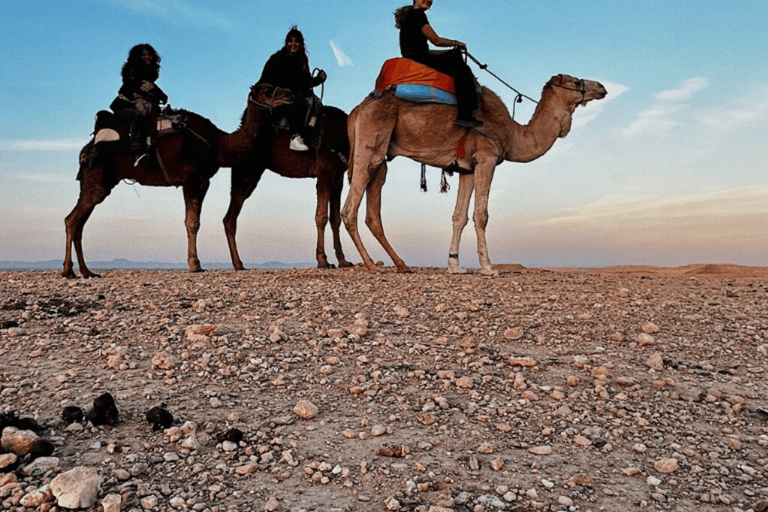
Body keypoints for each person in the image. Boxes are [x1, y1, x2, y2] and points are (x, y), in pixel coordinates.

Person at [395, 0, 482, 128]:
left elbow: (424, 50)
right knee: (462, 69)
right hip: (419, 58)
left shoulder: (409, 16)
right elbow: (436, 40)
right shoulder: (418, 15)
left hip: (416, 57)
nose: (429, 0)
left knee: (453, 55)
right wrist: (456, 43)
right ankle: (465, 114)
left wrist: (450, 51)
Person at [257, 26, 327, 151]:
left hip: (295, 90)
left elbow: (305, 81)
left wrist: (318, 79)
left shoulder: (302, 60)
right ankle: (295, 136)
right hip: (277, 92)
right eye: (291, 41)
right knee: (296, 98)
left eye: (296, 41)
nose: (293, 44)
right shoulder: (278, 58)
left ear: (301, 43)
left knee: (315, 104)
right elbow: (270, 78)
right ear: (287, 43)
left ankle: (310, 135)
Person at [110, 44, 168, 166]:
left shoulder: (150, 80)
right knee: (139, 116)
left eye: (149, 54)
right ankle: (138, 153)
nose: (148, 57)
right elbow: (134, 86)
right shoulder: (130, 73)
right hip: (123, 109)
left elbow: (163, 98)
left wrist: (155, 89)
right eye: (143, 55)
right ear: (137, 58)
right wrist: (155, 91)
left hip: (144, 109)